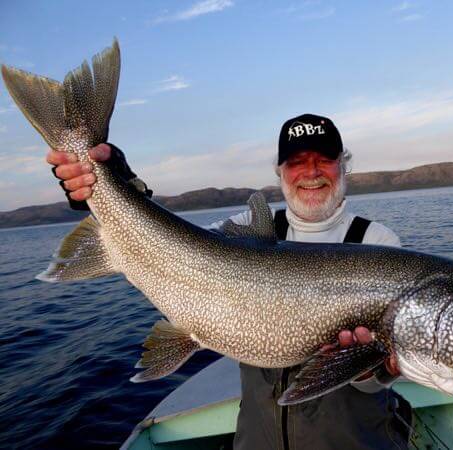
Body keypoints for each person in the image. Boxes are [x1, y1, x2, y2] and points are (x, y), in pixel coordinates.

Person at [46, 113, 413, 449]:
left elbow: (374, 379)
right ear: (281, 172)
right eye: (297, 162)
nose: (311, 172)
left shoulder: (379, 246)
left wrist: (373, 367)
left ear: (343, 166)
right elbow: (170, 249)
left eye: (324, 159)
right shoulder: (248, 231)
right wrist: (117, 185)